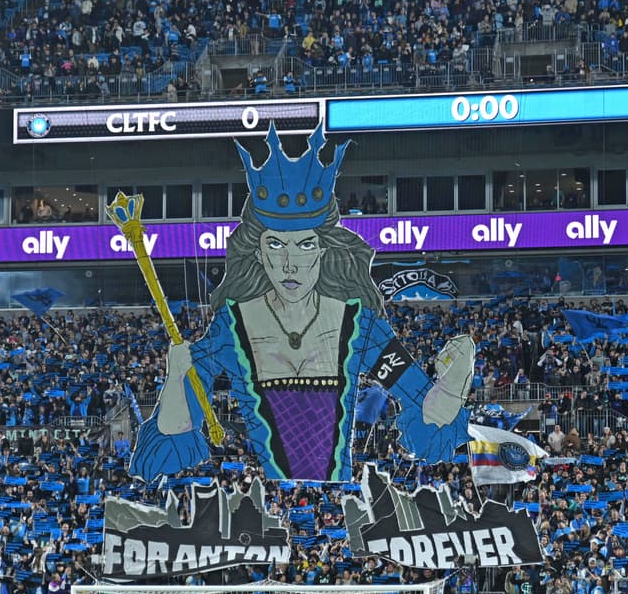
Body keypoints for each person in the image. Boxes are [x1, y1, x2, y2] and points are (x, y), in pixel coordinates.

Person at [131, 123, 473, 483]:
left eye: (305, 245)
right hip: (266, 512)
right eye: (276, 245)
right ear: (258, 253)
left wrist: (457, 376)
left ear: (324, 249)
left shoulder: (360, 326)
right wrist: (175, 376)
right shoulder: (230, 328)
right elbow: (173, 431)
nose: (289, 264)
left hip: (338, 502)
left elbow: (431, 413)